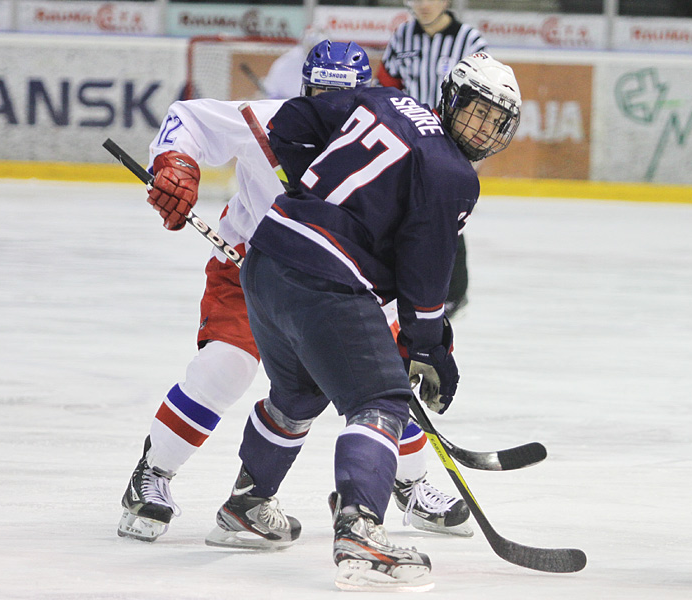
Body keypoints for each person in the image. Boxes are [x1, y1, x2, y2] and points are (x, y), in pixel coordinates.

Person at [118, 41, 472, 545]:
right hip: (248, 271)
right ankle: (152, 475)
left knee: (384, 378)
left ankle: (408, 484)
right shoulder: (274, 118)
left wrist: (420, 333)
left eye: (342, 95)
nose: (328, 103)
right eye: (320, 93)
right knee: (227, 367)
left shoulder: (382, 143)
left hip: (337, 280)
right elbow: (191, 120)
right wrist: (178, 165)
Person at [191, 53, 520, 590]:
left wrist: (312, 189)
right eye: (475, 112)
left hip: (267, 255)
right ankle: (360, 531)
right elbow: (424, 271)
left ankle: (246, 508)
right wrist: (429, 347)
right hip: (323, 277)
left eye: (495, 120)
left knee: (296, 396)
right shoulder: (454, 174)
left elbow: (291, 122)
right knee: (381, 403)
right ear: (451, 101)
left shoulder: (388, 100)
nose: (482, 128)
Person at [377, 0, 488, 319]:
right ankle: (404, 285)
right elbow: (386, 87)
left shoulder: (470, 41)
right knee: (400, 213)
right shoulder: (402, 37)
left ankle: (454, 294)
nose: (424, 4)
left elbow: (485, 96)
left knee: (446, 215)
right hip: (407, 139)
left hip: (450, 143)